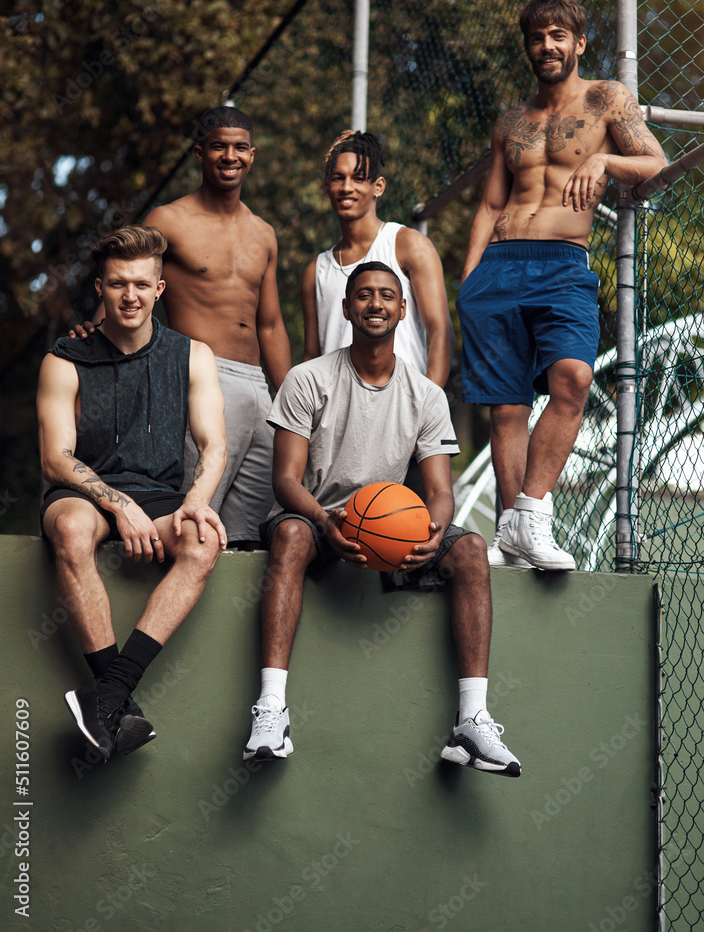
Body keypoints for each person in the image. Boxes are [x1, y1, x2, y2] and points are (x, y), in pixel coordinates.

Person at [242, 262, 521, 777]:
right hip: (317, 517)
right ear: (346, 308)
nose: (376, 303)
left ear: (402, 310)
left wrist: (431, 532)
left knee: (470, 548)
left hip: (387, 528)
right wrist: (326, 523)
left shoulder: (426, 395)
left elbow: (440, 491)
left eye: (387, 296)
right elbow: (285, 481)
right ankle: (271, 710)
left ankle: (471, 721)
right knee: (287, 534)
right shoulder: (309, 380)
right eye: (364, 295)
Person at [456, 0, 668, 571]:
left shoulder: (606, 99)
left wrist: (603, 162)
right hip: (498, 265)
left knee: (571, 378)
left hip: (562, 264)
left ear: (578, 43)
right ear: (527, 46)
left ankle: (532, 513)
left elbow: (655, 163)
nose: (546, 46)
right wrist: (469, 278)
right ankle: (510, 537)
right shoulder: (511, 122)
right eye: (536, 37)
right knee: (505, 408)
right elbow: (490, 202)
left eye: (557, 36)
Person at [37, 225, 228, 761]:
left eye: (142, 284)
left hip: (164, 497)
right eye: (118, 284)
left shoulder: (194, 356)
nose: (131, 295)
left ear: (160, 289)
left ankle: (111, 694)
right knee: (72, 530)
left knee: (203, 540)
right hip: (85, 495)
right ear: (100, 286)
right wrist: (120, 506)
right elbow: (56, 458)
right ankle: (115, 699)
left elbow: (214, 446)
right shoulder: (65, 359)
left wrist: (195, 502)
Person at [73, 106, 291, 548]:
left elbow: (270, 324)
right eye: (218, 147)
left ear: (253, 155)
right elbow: (131, 281)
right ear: (199, 153)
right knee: (187, 517)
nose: (230, 156)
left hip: (259, 389)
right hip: (201, 379)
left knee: (244, 535)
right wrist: (92, 337)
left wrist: (289, 403)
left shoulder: (263, 232)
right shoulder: (169, 219)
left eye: (240, 147)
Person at [301, 130, 454, 389]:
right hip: (338, 416)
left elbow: (440, 331)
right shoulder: (316, 270)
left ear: (378, 187)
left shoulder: (407, 245)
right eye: (338, 178)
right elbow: (312, 356)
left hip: (404, 410)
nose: (347, 187)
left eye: (358, 178)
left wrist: (427, 407)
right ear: (327, 186)